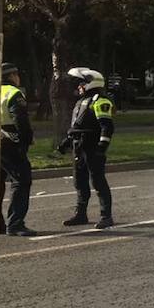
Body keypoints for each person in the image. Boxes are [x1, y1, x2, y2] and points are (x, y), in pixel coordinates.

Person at [57, 67, 116, 229]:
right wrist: (66, 142)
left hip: (92, 147)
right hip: (79, 147)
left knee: (98, 181)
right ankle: (80, 214)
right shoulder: (80, 102)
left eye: (81, 84)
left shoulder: (101, 101)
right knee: (80, 182)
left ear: (91, 83)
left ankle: (106, 216)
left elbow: (107, 127)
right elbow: (77, 126)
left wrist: (102, 147)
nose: (78, 87)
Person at [0, 63, 36, 236]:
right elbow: (21, 121)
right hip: (11, 144)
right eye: (17, 74)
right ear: (12, 76)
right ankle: (15, 223)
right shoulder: (14, 93)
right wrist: (26, 142)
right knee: (21, 181)